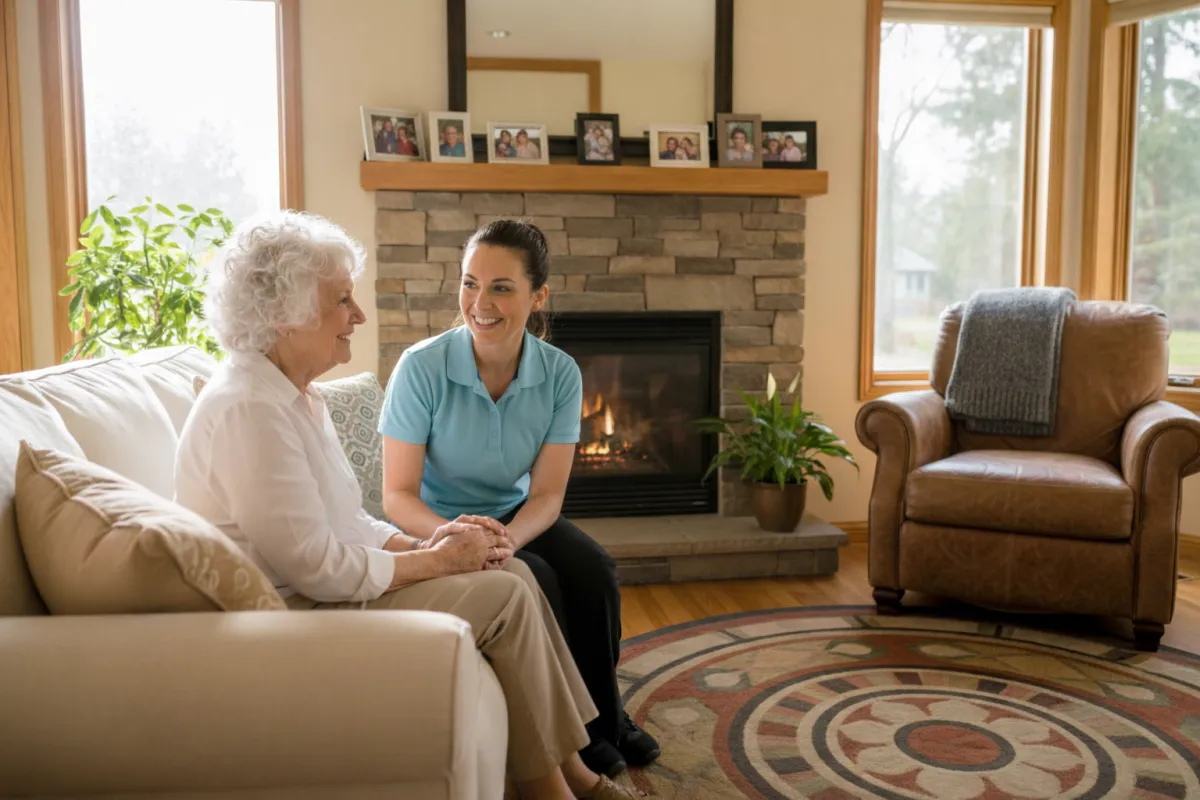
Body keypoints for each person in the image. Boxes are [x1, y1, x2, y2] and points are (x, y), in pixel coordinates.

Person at [175, 211, 634, 800]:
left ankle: (578, 771)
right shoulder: (250, 409)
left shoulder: (294, 397)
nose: (358, 316)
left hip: (329, 586)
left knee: (521, 571)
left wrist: (425, 547)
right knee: (511, 587)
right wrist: (439, 559)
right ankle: (559, 788)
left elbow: (350, 522)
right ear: (282, 316)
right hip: (294, 615)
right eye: (342, 300)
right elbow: (316, 567)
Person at [379, 220, 662, 779]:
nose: (479, 303)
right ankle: (574, 744)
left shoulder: (560, 374)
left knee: (595, 572)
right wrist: (456, 539)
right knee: (544, 583)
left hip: (516, 515)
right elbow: (397, 495)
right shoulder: (421, 367)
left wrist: (506, 537)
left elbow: (549, 493)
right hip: (439, 521)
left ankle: (607, 718)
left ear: (538, 297)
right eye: (469, 283)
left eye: (501, 287)